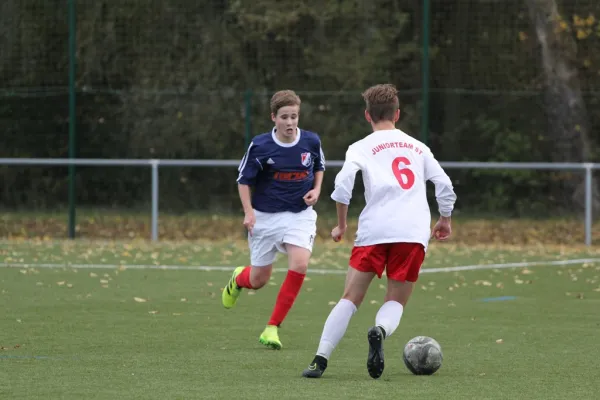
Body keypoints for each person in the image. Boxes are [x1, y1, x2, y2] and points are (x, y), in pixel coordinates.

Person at [301, 83, 456, 379]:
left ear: (367, 116)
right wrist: (444, 219)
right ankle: (380, 330)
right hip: (411, 232)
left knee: (350, 298)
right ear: (397, 114)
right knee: (395, 300)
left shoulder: (360, 147)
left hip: (374, 231)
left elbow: (343, 186)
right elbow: (445, 185)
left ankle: (319, 360)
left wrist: (342, 225)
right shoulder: (418, 147)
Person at [221, 89, 326, 350]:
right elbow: (243, 181)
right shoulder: (260, 146)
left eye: (294, 116)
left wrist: (316, 190)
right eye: (284, 117)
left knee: (300, 264)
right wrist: (248, 212)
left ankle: (272, 328)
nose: (290, 123)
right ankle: (238, 278)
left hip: (299, 216)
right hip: (265, 218)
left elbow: (319, 167)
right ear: (273, 117)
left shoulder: (311, 141)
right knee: (258, 281)